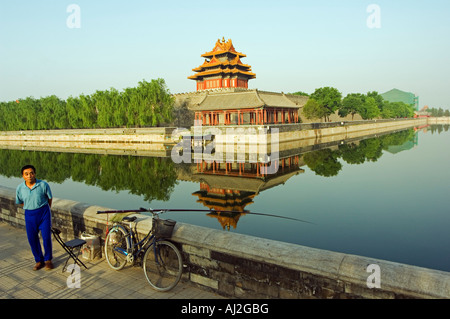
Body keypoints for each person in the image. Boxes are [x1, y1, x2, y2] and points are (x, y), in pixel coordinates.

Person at [15, 165, 54, 271]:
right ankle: (38, 260)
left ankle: (48, 260)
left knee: (46, 238)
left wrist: (46, 210)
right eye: (26, 174)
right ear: (23, 176)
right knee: (32, 239)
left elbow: (49, 198)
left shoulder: (43, 185)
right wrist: (30, 207)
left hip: (44, 214)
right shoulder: (20, 188)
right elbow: (21, 202)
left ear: (35, 174)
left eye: (31, 173)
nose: (29, 176)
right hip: (30, 215)